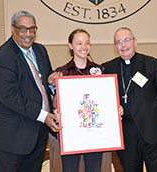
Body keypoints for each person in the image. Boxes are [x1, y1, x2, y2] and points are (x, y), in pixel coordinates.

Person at [0, 10, 61, 172]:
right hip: (9, 140)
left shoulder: (40, 51)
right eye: (23, 29)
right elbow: (11, 97)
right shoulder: (2, 57)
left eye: (32, 29)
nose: (28, 34)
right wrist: (44, 116)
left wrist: (51, 84)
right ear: (13, 29)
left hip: (36, 135)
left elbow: (43, 83)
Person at [102, 27, 157, 172]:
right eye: (119, 42)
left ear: (135, 42)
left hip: (153, 129)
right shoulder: (108, 68)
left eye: (127, 40)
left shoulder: (152, 64)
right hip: (125, 132)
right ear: (115, 47)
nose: (124, 45)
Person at [55, 29, 105, 172]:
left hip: (94, 132)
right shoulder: (61, 72)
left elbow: (104, 99)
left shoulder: (99, 70)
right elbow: (55, 101)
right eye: (79, 43)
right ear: (70, 45)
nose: (84, 47)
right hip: (71, 133)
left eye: (87, 43)